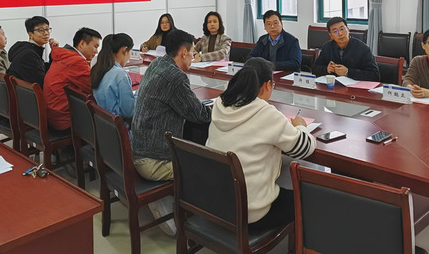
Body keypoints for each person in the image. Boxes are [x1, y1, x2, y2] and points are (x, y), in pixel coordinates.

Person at [206, 57, 315, 228]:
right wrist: (301, 126)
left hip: (214, 203)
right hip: (249, 213)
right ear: (267, 85)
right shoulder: (266, 113)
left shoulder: (221, 103)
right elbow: (304, 148)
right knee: (306, 200)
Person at [132, 29, 211, 181]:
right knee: (210, 168)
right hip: (154, 161)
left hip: (140, 149)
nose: (193, 57)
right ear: (184, 53)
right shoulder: (175, 77)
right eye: (192, 52)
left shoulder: (157, 63)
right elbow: (200, 115)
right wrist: (219, 109)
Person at [43, 27, 101, 131]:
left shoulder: (64, 55)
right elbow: (94, 88)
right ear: (82, 43)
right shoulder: (76, 61)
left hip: (53, 115)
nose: (96, 51)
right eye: (95, 46)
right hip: (65, 121)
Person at [312, 17, 380, 81]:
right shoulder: (327, 47)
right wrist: (327, 69)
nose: (340, 34)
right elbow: (315, 68)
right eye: (335, 31)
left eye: (342, 29)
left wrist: (348, 72)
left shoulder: (363, 49)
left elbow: (375, 75)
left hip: (354, 87)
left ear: (348, 30)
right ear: (331, 35)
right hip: (334, 86)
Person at [91, 33, 136, 122]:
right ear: (124, 50)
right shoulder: (120, 74)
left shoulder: (98, 68)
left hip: (104, 124)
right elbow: (129, 112)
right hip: (119, 126)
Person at [7, 16, 58, 88]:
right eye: (41, 30)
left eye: (47, 29)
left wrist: (54, 51)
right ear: (30, 35)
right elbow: (42, 82)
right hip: (29, 93)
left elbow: (44, 70)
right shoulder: (29, 55)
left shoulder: (30, 50)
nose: (46, 33)